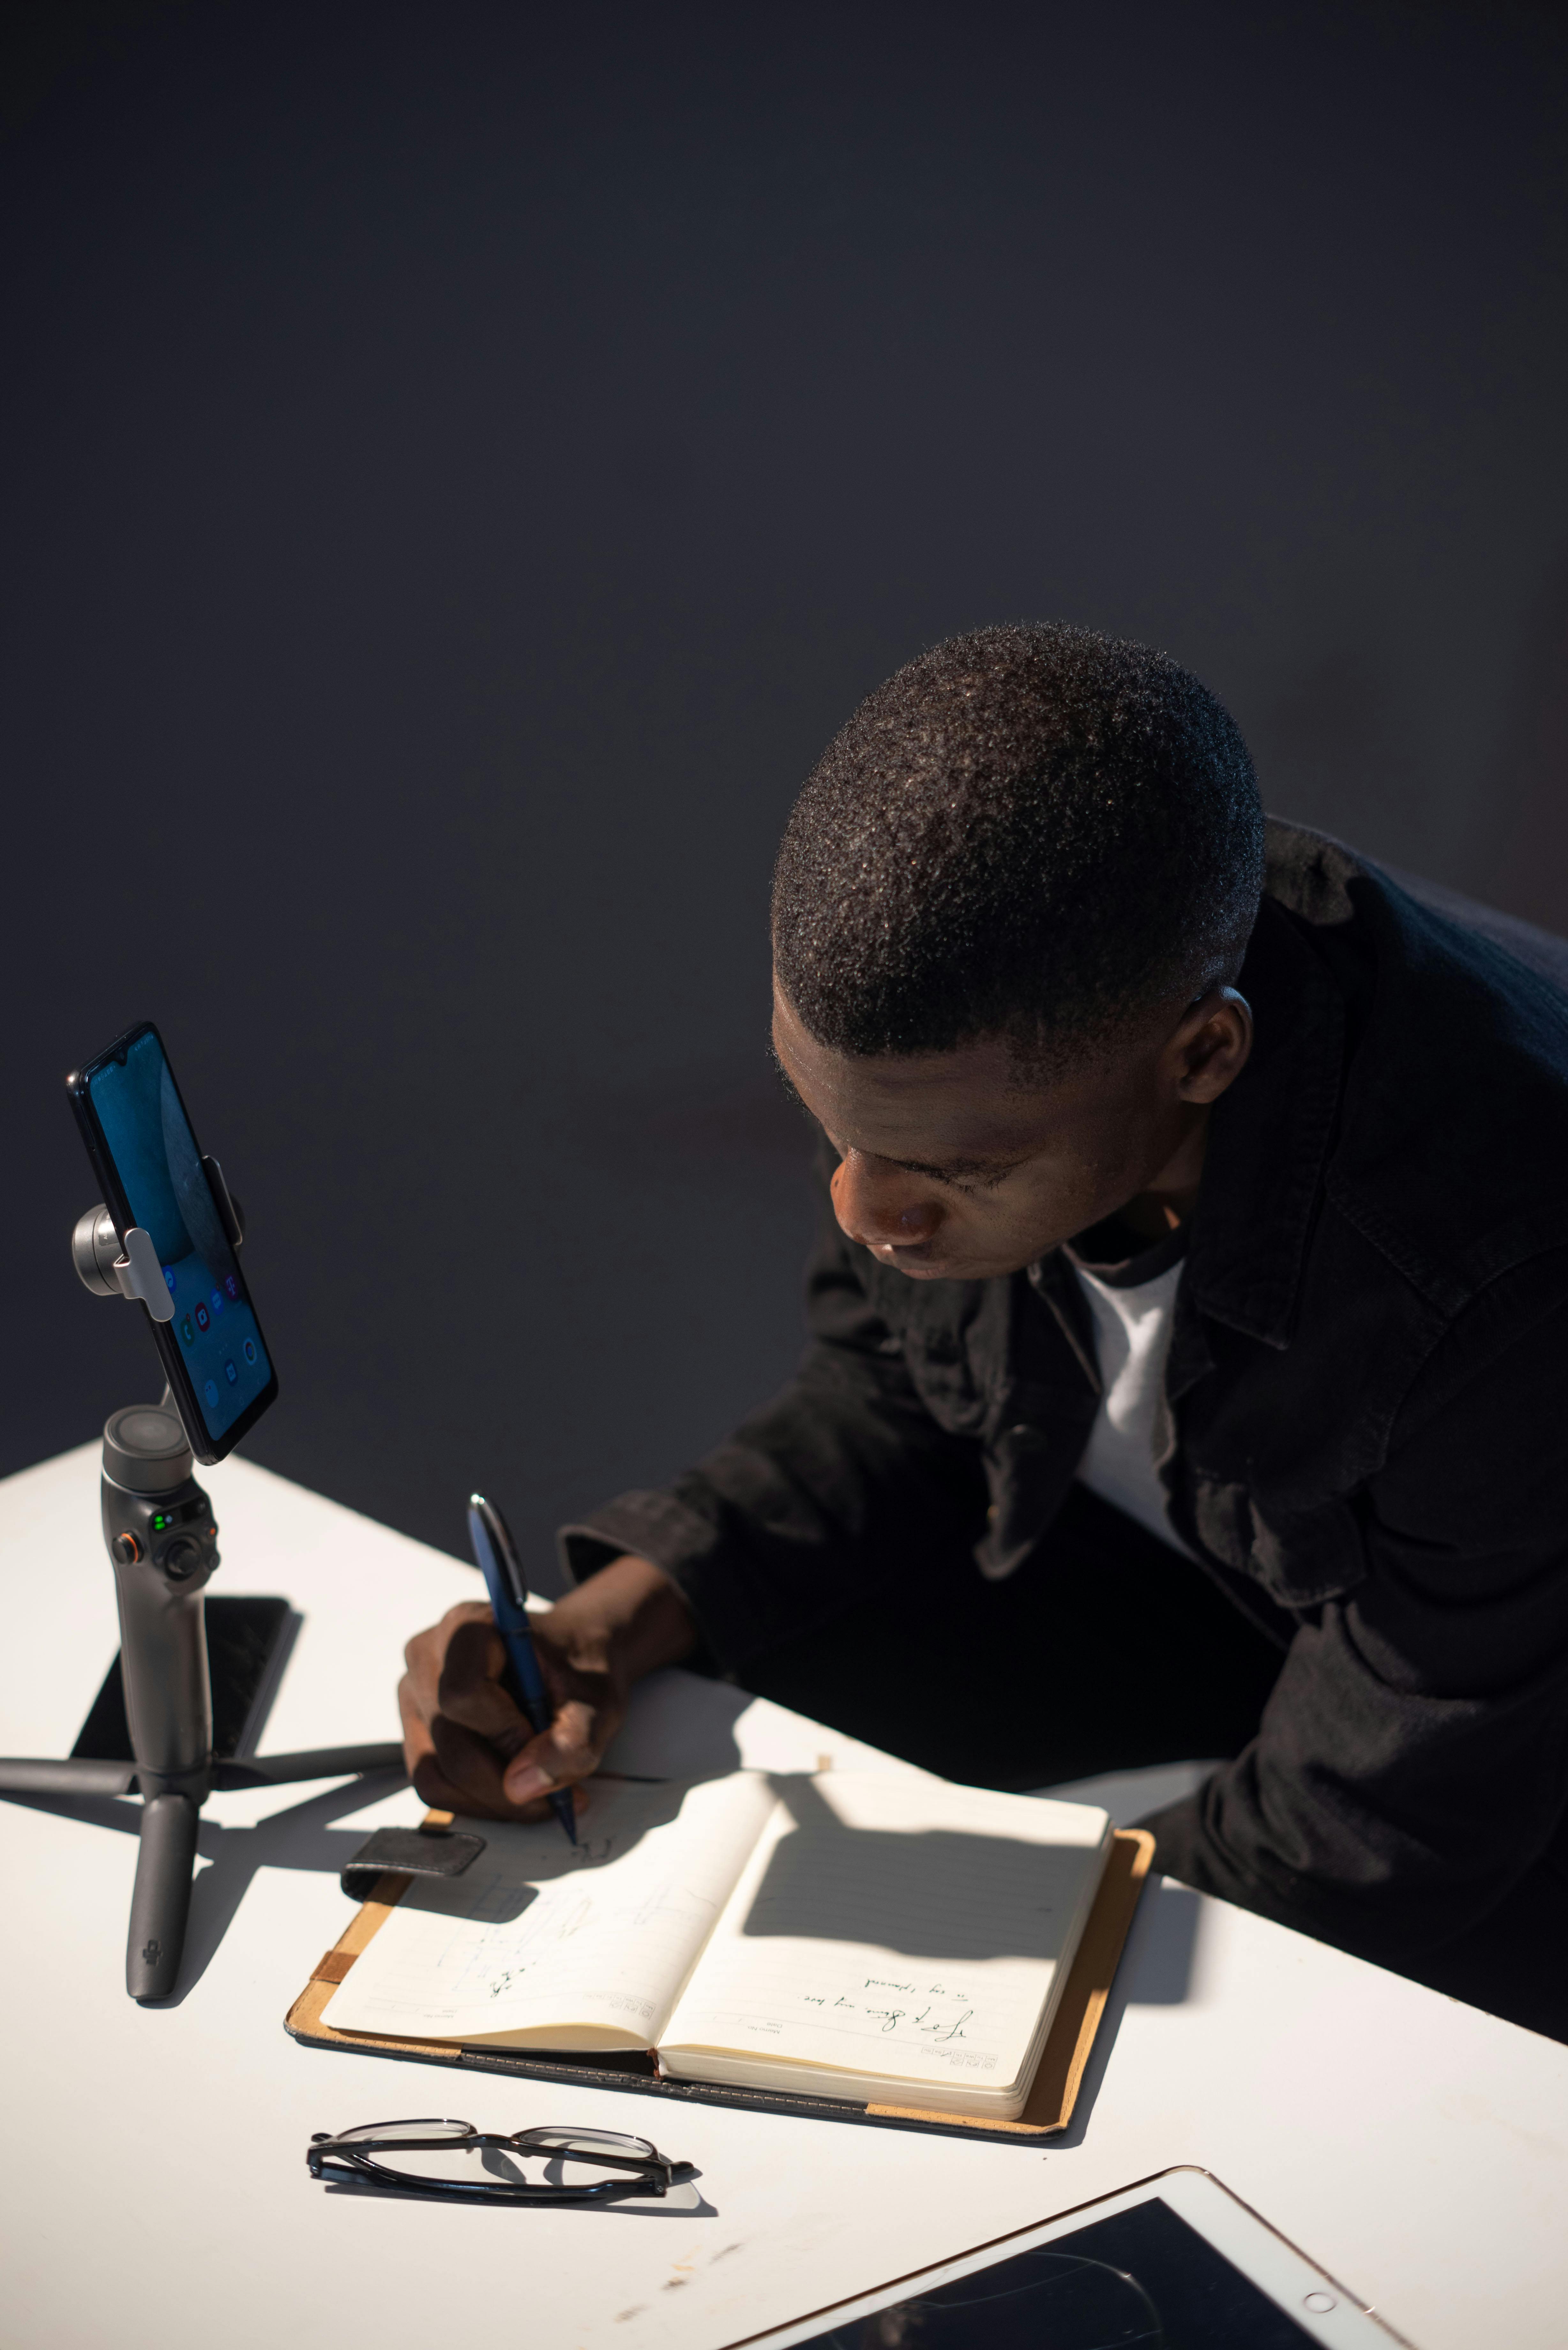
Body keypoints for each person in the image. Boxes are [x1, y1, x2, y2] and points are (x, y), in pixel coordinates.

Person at [400, 623, 1568, 2041]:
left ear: (1205, 1053)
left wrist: (933, 2009)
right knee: (738, 1713)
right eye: (825, 1127)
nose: (866, 1212)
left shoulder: (1491, 1276)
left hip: (1512, 1777)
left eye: (957, 1175)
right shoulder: (1040, 1023)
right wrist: (620, 1617)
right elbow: (903, 1390)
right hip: (1250, 1601)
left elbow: (1373, 1836)